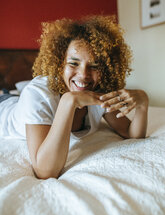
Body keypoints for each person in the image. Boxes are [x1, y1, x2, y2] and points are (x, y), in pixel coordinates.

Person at [0, 15, 149, 179]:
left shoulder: (99, 90)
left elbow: (130, 133)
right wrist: (69, 101)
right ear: (60, 63)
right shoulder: (37, 93)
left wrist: (142, 102)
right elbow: (45, 171)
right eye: (73, 63)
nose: (84, 75)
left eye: (94, 66)